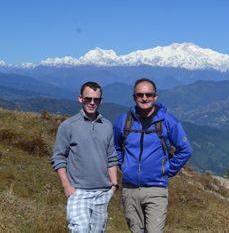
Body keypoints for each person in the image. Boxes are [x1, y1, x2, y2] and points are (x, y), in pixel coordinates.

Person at [113, 78, 192, 233]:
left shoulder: (168, 121)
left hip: (156, 188)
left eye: (149, 94)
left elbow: (185, 149)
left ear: (155, 97)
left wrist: (168, 170)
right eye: (140, 94)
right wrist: (124, 166)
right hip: (130, 189)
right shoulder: (124, 121)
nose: (144, 98)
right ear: (134, 97)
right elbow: (115, 147)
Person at [50, 81, 119, 232]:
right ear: (80, 98)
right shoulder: (68, 125)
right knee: (80, 229)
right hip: (78, 191)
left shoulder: (107, 126)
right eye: (88, 99)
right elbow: (58, 158)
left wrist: (113, 186)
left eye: (96, 99)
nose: (92, 103)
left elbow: (112, 158)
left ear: (101, 100)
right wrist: (67, 187)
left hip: (103, 192)